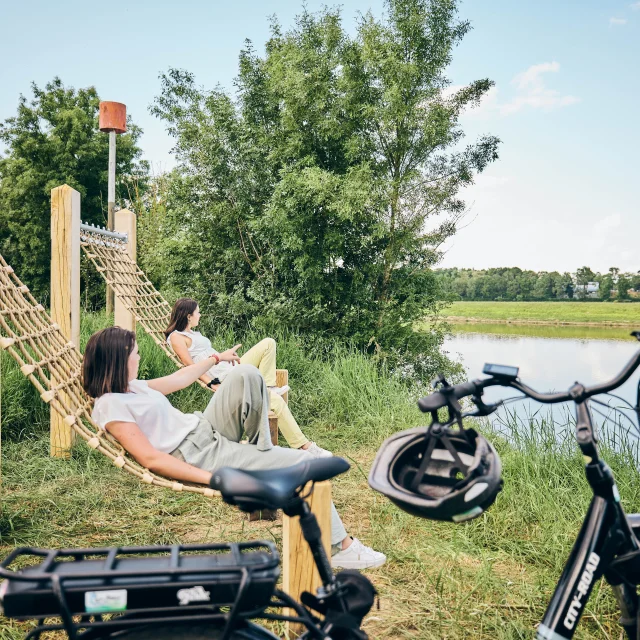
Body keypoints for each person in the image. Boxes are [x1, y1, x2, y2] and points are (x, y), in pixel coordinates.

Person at [83, 327, 386, 570]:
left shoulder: (132, 386)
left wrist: (216, 359)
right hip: (199, 454)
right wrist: (213, 478)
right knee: (302, 463)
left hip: (205, 427)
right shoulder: (111, 405)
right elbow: (151, 458)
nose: (138, 359)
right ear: (118, 359)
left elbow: (179, 379)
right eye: (135, 354)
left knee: (246, 374)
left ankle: (260, 450)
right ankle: (340, 546)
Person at [165, 298, 330, 459]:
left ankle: (269, 387)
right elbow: (191, 367)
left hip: (230, 367)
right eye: (198, 312)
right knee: (277, 402)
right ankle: (305, 446)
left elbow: (208, 354)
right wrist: (213, 383)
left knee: (268, 343)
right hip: (226, 377)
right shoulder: (176, 337)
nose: (200, 315)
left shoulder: (193, 333)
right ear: (188, 316)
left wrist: (225, 355)